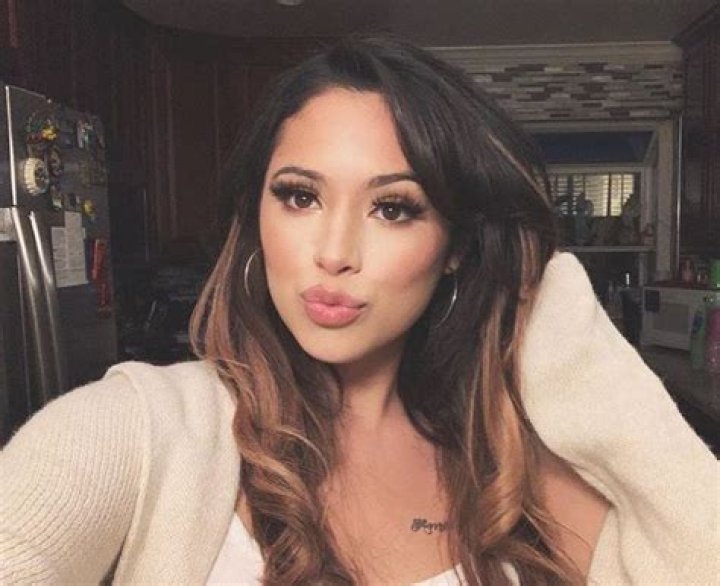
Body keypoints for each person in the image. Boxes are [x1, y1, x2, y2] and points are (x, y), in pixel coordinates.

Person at [0, 36, 717, 585]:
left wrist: (555, 317)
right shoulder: (144, 427)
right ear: (257, 216)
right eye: (299, 196)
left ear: (456, 246)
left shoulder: (508, 465)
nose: (334, 252)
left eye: (393, 208)